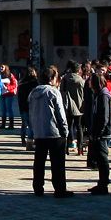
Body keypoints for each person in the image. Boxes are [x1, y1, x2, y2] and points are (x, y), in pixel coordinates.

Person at [29, 65, 72, 197]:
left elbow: (31, 113)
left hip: (39, 132)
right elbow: (60, 113)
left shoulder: (33, 93)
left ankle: (38, 187)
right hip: (54, 132)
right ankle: (59, 189)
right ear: (52, 78)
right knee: (58, 163)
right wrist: (65, 131)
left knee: (39, 162)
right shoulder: (53, 92)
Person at [85, 70, 111, 195]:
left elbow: (104, 117)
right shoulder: (98, 95)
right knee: (99, 158)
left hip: (102, 133)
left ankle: (104, 184)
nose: (89, 84)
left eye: (91, 82)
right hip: (97, 132)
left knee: (102, 158)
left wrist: (99, 133)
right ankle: (101, 183)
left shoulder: (103, 96)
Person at [60, 62, 85, 156]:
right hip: (79, 107)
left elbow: (61, 91)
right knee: (79, 128)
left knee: (68, 127)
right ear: (78, 70)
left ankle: (66, 148)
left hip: (67, 106)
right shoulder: (81, 80)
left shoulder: (65, 79)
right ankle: (80, 149)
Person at [18, 66, 39, 147]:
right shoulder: (35, 83)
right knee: (31, 125)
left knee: (24, 124)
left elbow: (19, 98)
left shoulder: (21, 83)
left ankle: (23, 139)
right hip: (32, 107)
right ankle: (29, 142)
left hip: (23, 107)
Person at [0, 64, 18, 130]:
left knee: (9, 109)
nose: (1, 68)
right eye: (0, 67)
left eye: (2, 67)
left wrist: (8, 87)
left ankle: (11, 125)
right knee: (3, 109)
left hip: (9, 94)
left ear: (6, 68)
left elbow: (14, 84)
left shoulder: (10, 75)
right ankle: (3, 124)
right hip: (2, 94)